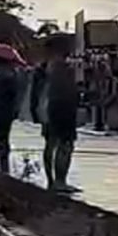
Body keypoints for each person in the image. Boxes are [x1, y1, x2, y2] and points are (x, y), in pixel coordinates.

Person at [30, 35, 79, 192]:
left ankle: (52, 181)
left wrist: (35, 110)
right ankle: (60, 181)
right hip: (62, 107)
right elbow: (67, 90)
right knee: (66, 144)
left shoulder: (42, 67)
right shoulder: (62, 67)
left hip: (46, 108)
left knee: (50, 144)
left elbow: (34, 92)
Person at [0, 65, 20, 174]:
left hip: (2, 112)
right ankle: (4, 164)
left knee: (1, 138)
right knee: (1, 138)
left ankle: (4, 165)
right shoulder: (9, 79)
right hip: (3, 112)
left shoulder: (6, 80)